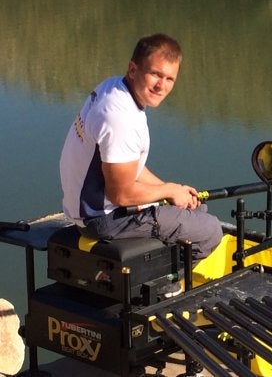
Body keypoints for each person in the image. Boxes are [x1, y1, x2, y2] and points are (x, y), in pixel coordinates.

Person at [59, 33, 223, 266]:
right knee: (210, 231)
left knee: (196, 211)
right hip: (103, 219)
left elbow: (127, 165)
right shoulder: (120, 119)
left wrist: (172, 191)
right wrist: (168, 190)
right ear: (133, 69)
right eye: (155, 74)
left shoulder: (113, 88)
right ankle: (169, 284)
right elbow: (121, 195)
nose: (161, 86)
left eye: (169, 79)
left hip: (89, 210)